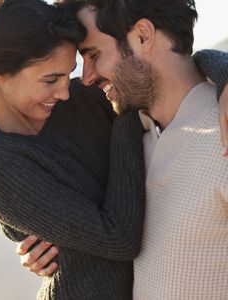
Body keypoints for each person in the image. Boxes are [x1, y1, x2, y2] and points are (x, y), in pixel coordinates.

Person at [0, 0, 227, 298]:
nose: (76, 84)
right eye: (51, 79)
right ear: (1, 72)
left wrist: (223, 72)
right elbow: (110, 235)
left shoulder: (88, 104)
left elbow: (174, 69)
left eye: (87, 59)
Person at [16, 0, 228, 298]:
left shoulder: (221, 137)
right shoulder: (129, 131)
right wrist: (64, 252)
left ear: (142, 35)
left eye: (93, 54)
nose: (87, 77)